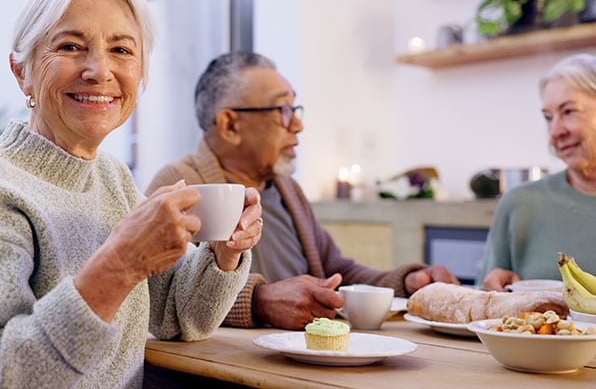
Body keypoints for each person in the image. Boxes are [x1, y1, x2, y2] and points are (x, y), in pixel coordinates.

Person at [0, 0, 263, 388]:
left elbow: (175, 318)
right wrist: (119, 265)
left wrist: (223, 254)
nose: (100, 71)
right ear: (23, 71)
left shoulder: (112, 178)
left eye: (122, 50)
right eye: (71, 46)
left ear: (141, 73)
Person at [145, 51, 459, 330]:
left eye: (295, 108)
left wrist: (406, 283)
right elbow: (162, 297)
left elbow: (337, 272)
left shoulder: (287, 189)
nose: (297, 124)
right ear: (230, 125)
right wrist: (260, 300)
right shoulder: (179, 184)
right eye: (282, 109)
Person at [479, 53, 596, 291]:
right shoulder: (521, 203)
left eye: (569, 111)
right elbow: (484, 302)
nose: (555, 132)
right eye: (548, 118)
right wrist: (493, 289)